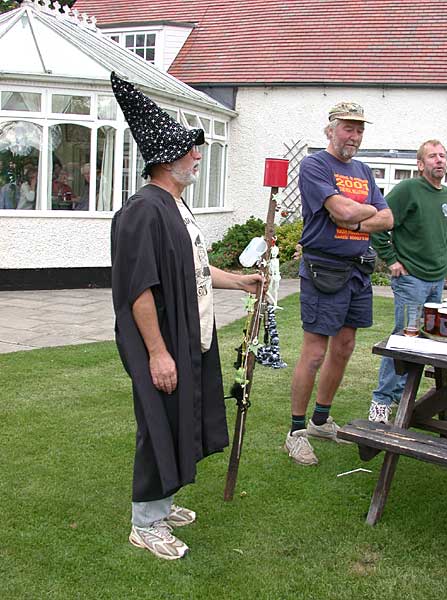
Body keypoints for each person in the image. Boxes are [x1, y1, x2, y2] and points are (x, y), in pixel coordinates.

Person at [110, 72, 262, 561]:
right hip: (163, 340)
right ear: (165, 157)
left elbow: (192, 270)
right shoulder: (143, 211)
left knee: (180, 420)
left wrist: (239, 281)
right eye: (189, 149)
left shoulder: (175, 206)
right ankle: (145, 523)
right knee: (158, 425)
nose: (197, 155)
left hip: (186, 336)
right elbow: (138, 290)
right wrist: (157, 353)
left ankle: (163, 503)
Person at [285, 101, 393, 466]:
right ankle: (295, 433)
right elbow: (341, 210)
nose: (354, 136)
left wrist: (356, 222)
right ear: (330, 129)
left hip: (358, 270)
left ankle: (320, 421)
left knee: (344, 347)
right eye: (348, 128)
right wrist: (359, 211)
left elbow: (387, 217)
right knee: (315, 352)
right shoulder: (315, 165)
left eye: (360, 129)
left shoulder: (363, 170)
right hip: (324, 269)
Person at [369, 140, 447, 423]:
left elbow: (446, 235)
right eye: (432, 156)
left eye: (442, 156)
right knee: (405, 338)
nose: (439, 160)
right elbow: (378, 225)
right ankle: (381, 402)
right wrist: (392, 260)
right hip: (411, 279)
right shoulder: (408, 190)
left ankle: (403, 399)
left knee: (428, 340)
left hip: (436, 281)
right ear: (420, 164)